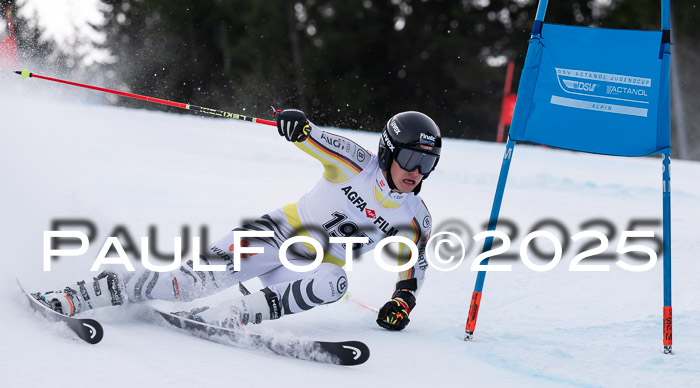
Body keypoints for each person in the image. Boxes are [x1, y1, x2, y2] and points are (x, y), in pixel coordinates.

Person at [37, 109, 441, 331]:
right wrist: (295, 124)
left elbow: (414, 265)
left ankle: (229, 315)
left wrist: (402, 301)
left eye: (427, 164)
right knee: (184, 284)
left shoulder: (414, 216)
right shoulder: (355, 163)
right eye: (410, 159)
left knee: (335, 283)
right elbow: (313, 136)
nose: (416, 172)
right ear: (388, 152)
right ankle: (85, 292)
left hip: (309, 268)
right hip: (273, 235)